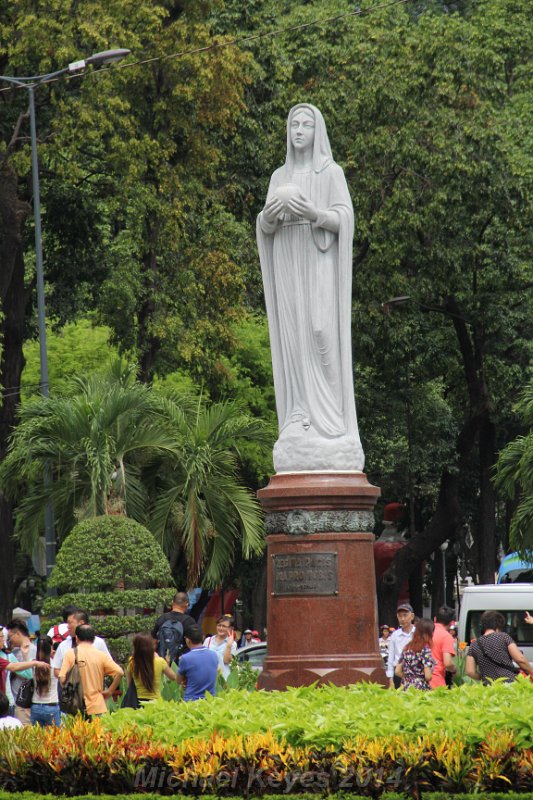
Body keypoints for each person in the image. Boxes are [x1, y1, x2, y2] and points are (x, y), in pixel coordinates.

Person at [257, 103, 364, 473]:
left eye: (306, 124)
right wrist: (269, 216)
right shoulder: (278, 176)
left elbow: (344, 218)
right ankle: (300, 413)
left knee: (321, 331)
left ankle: (333, 422)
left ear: (318, 132)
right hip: (288, 257)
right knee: (295, 337)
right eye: (293, 124)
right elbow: (265, 226)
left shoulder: (330, 173)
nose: (299, 130)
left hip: (317, 258)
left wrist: (313, 214)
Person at [59, 624, 123, 717]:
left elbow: (62, 679)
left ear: (76, 638)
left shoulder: (70, 654)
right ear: (93, 639)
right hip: (97, 706)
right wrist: (110, 691)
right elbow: (120, 672)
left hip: (76, 706)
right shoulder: (101, 655)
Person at [465, 610, 533, 684]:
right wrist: (531, 671)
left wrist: (485, 677)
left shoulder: (474, 644)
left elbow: (470, 671)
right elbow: (520, 659)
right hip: (508, 683)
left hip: (488, 686)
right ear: (498, 625)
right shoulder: (503, 637)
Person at [52, 610, 110, 678]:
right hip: (70, 687)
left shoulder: (98, 642)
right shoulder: (63, 645)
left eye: (70, 623)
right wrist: (68, 681)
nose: (67, 627)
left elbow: (109, 667)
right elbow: (56, 669)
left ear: (81, 623)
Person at [126, 633, 178, 702]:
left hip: (138, 702)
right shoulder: (160, 662)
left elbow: (129, 684)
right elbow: (173, 677)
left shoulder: (132, 662)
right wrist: (166, 664)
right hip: (156, 701)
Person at [151, 591, 196, 663]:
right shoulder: (189, 621)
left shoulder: (162, 618)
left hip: (162, 662)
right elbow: (195, 644)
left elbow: (153, 641)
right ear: (186, 605)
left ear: (172, 603)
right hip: (182, 662)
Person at [6, 619, 37, 725]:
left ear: (18, 634)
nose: (9, 641)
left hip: (29, 703)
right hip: (15, 701)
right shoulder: (12, 652)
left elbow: (31, 675)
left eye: (10, 637)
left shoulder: (35, 651)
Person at [177, 625, 219, 701]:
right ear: (203, 638)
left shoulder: (185, 658)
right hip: (210, 700)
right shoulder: (214, 655)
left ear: (188, 640)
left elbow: (178, 680)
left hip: (191, 701)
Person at [395, 618, 435, 691]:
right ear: (428, 633)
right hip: (420, 687)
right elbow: (428, 676)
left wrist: (409, 678)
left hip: (405, 686)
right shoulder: (425, 650)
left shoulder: (407, 648)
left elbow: (397, 671)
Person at [30, 637, 61, 727]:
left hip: (35, 706)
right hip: (51, 706)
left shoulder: (33, 664)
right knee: (55, 737)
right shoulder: (55, 665)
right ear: (50, 648)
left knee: (36, 738)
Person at [386, 603, 416, 689]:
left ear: (412, 616)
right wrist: (390, 677)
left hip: (414, 671)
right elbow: (391, 657)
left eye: (405, 615)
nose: (402, 619)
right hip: (398, 672)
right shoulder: (395, 635)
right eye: (399, 616)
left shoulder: (418, 633)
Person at [430, 606, 457, 689]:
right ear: (452, 623)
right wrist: (454, 669)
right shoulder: (446, 636)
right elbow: (448, 663)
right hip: (436, 681)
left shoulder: (424, 632)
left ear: (435, 619)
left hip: (418, 682)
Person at [203, 615, 237, 680]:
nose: (220, 628)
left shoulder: (232, 644)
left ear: (230, 628)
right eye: (219, 625)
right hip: (208, 677)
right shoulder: (208, 640)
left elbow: (226, 661)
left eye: (224, 626)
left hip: (223, 679)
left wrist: (228, 645)